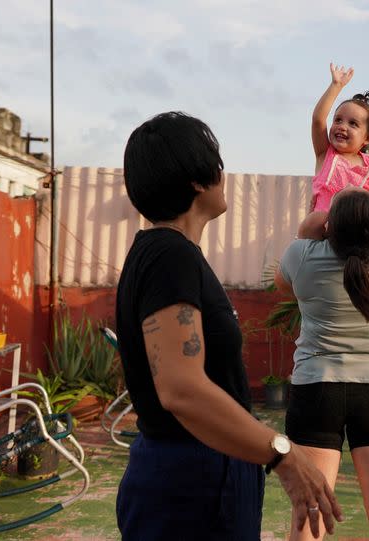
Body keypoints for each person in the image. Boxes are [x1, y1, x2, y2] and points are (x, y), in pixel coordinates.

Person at [116, 111, 343, 540]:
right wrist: (283, 455)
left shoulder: (168, 253)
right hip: (190, 481)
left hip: (201, 471)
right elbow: (181, 389)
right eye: (217, 163)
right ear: (198, 180)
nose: (225, 174)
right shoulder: (170, 256)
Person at [275, 186, 369, 540]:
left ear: (329, 227)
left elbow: (281, 285)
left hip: (316, 390)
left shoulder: (302, 257)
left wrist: (311, 228)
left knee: (309, 519)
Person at [298, 63, 369, 243]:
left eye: (353, 124)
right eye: (338, 120)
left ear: (367, 138)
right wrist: (336, 86)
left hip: (361, 230)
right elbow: (318, 120)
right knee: (314, 220)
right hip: (328, 229)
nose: (342, 126)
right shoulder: (325, 155)